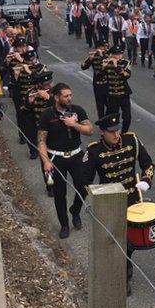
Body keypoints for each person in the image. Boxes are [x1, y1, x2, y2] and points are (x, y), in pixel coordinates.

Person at [82, 113, 154, 293]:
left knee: (129, 239)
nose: (116, 135)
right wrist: (93, 198)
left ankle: (126, 262)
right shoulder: (94, 151)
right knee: (114, 240)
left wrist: (147, 180)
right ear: (102, 132)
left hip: (132, 198)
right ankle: (121, 276)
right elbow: (85, 180)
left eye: (118, 130)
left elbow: (148, 163)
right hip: (110, 202)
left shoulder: (132, 141)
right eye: (111, 132)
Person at [37, 83, 93, 239]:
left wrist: (74, 124)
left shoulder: (78, 110)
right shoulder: (47, 115)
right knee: (59, 193)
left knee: (84, 185)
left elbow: (89, 130)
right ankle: (65, 225)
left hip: (76, 155)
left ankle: (75, 210)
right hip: (56, 157)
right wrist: (46, 161)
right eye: (66, 96)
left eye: (70, 95)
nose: (69, 98)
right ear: (56, 97)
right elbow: (41, 141)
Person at [101, 47, 132, 134]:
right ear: (111, 55)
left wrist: (116, 66)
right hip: (112, 95)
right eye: (116, 54)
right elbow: (100, 77)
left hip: (123, 94)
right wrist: (103, 68)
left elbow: (126, 76)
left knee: (127, 117)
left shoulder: (125, 63)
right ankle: (111, 133)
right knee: (112, 117)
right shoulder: (106, 62)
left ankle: (124, 133)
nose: (118, 56)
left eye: (120, 54)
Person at [80, 42, 110, 119]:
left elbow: (109, 65)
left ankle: (109, 119)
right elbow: (83, 67)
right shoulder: (94, 56)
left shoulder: (108, 55)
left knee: (110, 104)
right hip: (98, 84)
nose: (104, 49)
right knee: (100, 105)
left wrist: (102, 56)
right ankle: (102, 123)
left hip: (108, 83)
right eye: (102, 47)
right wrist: (90, 59)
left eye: (104, 47)